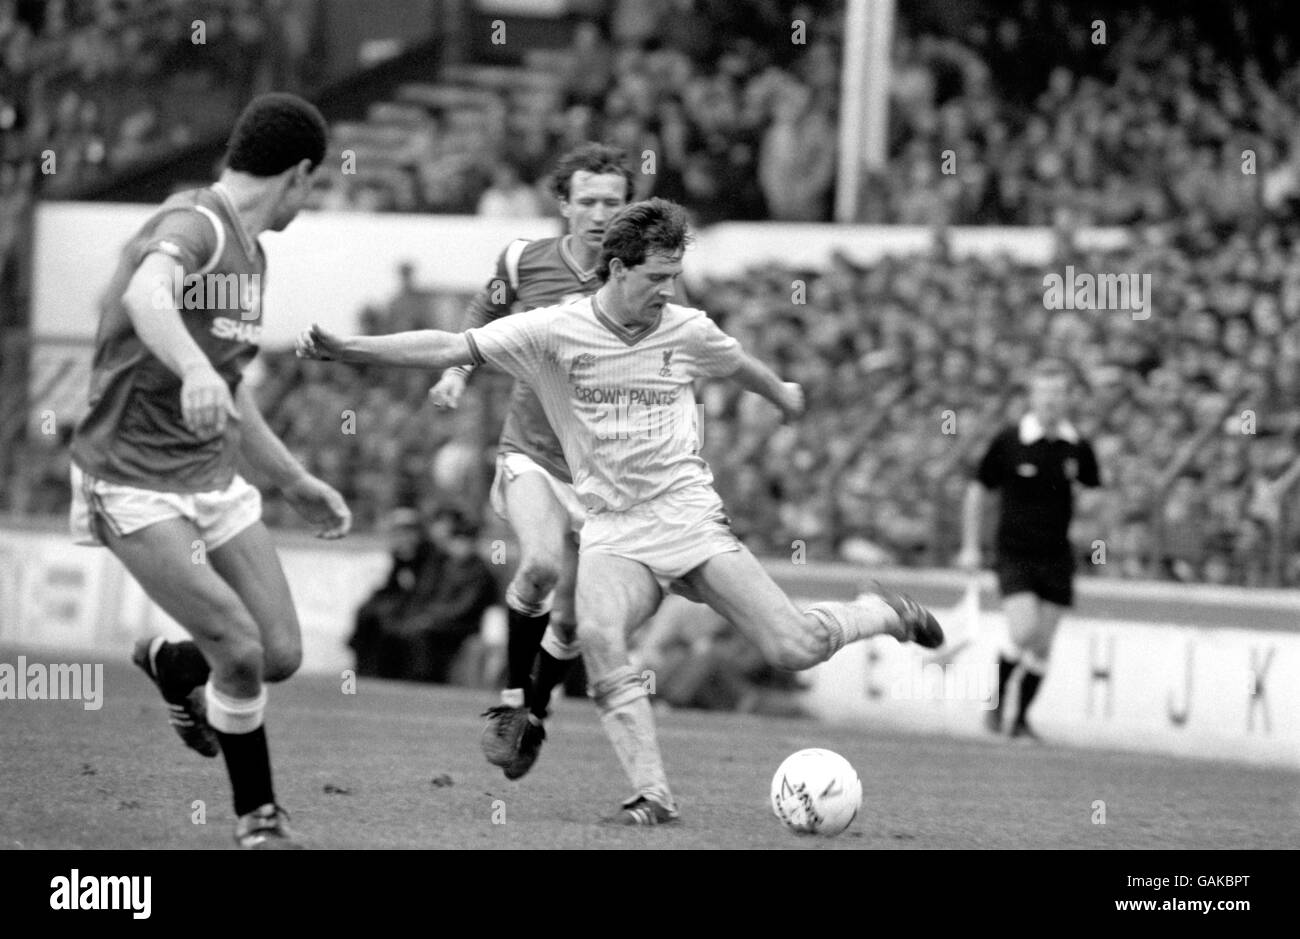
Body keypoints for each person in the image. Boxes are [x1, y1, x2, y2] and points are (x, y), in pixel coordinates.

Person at [297, 197, 944, 825]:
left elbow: (736, 361)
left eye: (674, 276)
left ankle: (879, 611)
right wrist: (349, 348)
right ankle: (652, 794)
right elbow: (448, 345)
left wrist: (780, 392)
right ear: (618, 269)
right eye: (657, 278)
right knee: (601, 633)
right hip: (614, 530)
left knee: (796, 646)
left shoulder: (687, 330)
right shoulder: (553, 330)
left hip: (691, 521)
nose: (668, 290)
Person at [68, 93, 352, 849]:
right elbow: (145, 291)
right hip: (129, 476)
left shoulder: (253, 257)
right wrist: (191, 369)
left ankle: (169, 661)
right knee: (239, 645)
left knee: (280, 653)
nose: (309, 197)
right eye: (313, 185)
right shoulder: (195, 221)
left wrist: (293, 480)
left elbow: (228, 389)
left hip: (212, 477)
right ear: (298, 174)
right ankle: (257, 817)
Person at [427, 142, 635, 781]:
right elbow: (481, 316)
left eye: (614, 202)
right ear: (564, 203)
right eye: (590, 201)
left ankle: (534, 715)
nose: (601, 214)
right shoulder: (521, 261)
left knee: (574, 618)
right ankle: (513, 701)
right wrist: (458, 374)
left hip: (603, 471)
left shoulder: (646, 274)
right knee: (541, 563)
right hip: (531, 453)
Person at [957, 358, 1102, 741]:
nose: (1051, 400)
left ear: (1069, 398)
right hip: (1015, 553)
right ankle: (996, 703)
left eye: (1059, 393)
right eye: (1044, 392)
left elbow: (1094, 492)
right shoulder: (1010, 441)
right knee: (1022, 632)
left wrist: (1092, 525)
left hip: (1057, 555)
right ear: (1032, 396)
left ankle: (1020, 720)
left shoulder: (1077, 447)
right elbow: (977, 490)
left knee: (1043, 644)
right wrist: (970, 545)